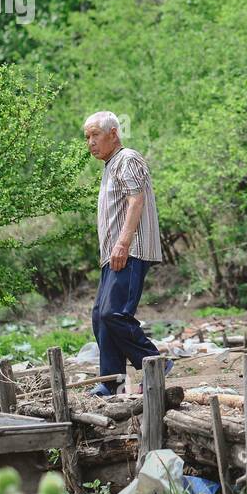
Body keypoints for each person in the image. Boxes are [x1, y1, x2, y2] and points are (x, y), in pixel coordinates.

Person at [83, 111, 169, 396]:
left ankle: (154, 362)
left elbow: (136, 200)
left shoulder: (128, 158)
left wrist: (123, 243)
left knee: (114, 313)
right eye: (87, 137)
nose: (91, 142)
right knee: (100, 316)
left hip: (130, 250)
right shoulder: (110, 165)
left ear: (113, 134)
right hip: (113, 254)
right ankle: (112, 383)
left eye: (95, 135)